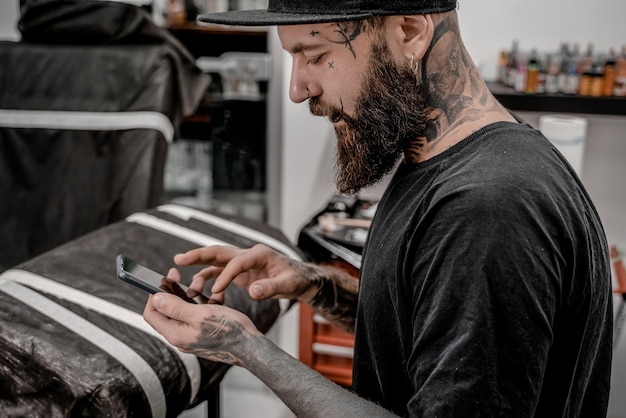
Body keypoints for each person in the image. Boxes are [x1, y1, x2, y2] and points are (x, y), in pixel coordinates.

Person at [144, 1, 614, 416]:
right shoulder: (444, 159)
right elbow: (423, 333)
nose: (298, 89)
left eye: (317, 56)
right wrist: (312, 283)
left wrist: (245, 347)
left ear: (409, 30)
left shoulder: (487, 208)